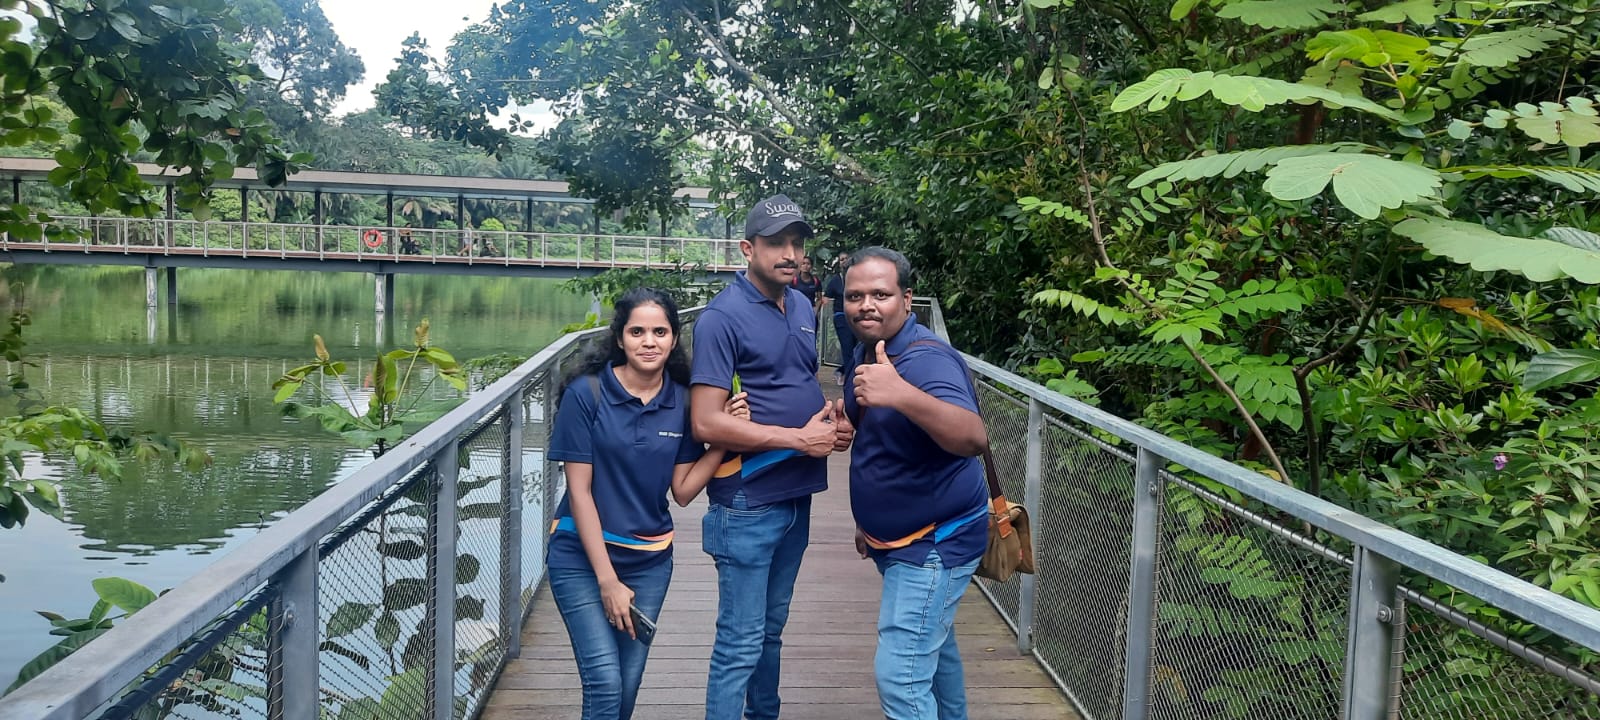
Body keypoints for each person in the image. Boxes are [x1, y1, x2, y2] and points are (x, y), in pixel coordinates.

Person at [546, 287, 750, 720]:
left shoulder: (682, 400)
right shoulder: (587, 394)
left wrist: (722, 438)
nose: (649, 341)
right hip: (582, 559)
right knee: (604, 682)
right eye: (637, 332)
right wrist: (608, 582)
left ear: (674, 339)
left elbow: (683, 490)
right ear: (620, 338)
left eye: (660, 332)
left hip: (649, 562)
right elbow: (579, 492)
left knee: (626, 687)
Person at [689, 193, 854, 720]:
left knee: (771, 630)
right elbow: (705, 422)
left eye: (797, 243)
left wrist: (830, 422)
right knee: (740, 641)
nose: (790, 254)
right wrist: (798, 440)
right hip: (747, 500)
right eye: (776, 243)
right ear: (747, 249)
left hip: (797, 495)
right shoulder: (721, 319)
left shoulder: (802, 305)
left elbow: (795, 380)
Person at [840, 246, 990, 720]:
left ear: (907, 300)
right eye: (855, 296)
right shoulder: (868, 350)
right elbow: (883, 441)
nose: (866, 305)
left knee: (901, 678)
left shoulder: (925, 361)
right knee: (935, 654)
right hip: (897, 539)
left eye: (880, 294)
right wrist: (869, 521)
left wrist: (901, 394)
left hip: (934, 542)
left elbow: (973, 437)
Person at [821, 250, 856, 385]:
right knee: (847, 347)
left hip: (855, 317)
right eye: (841, 259)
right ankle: (850, 379)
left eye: (846, 258)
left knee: (857, 347)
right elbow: (825, 297)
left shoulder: (856, 278)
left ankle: (842, 371)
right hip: (841, 317)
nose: (844, 261)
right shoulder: (836, 280)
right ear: (839, 263)